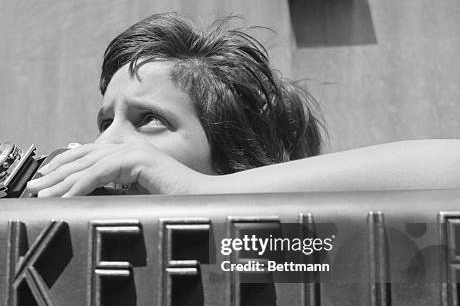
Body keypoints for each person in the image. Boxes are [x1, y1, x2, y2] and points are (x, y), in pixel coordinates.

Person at [26, 13, 460, 198]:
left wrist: (204, 192)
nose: (110, 142)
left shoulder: (283, 255)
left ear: (233, 155)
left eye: (150, 120)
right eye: (106, 121)